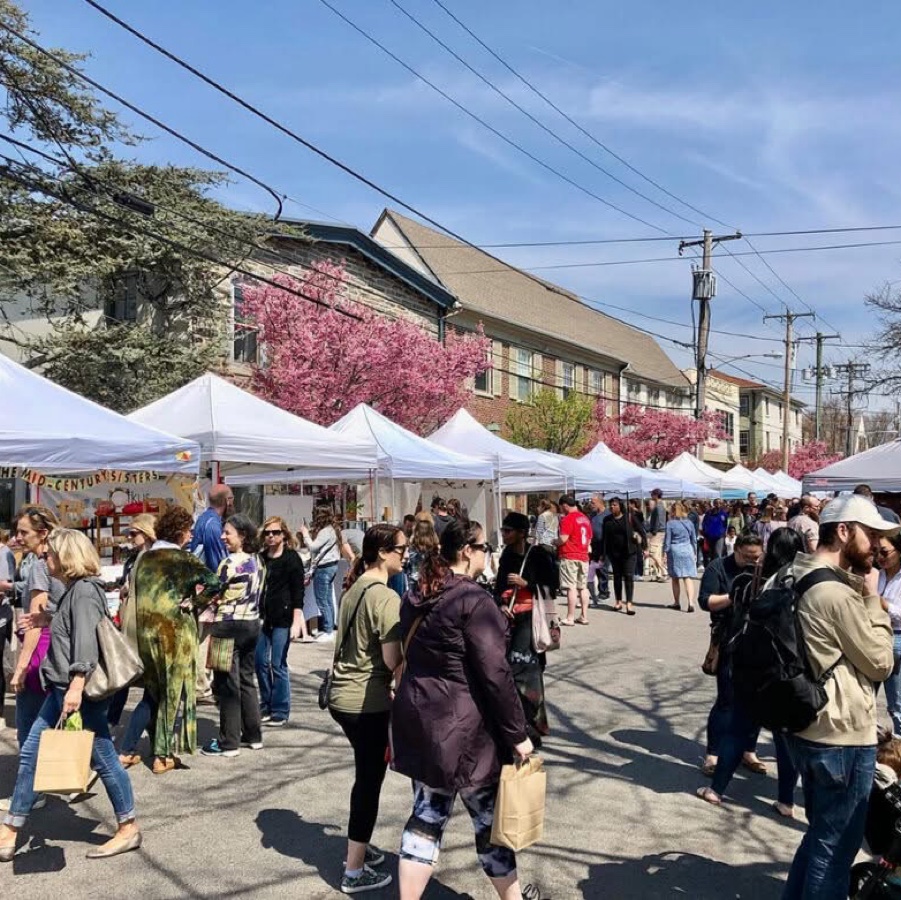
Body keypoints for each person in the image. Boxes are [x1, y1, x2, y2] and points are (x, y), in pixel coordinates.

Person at [392, 519, 533, 900]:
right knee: (488, 820)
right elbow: (496, 674)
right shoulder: (472, 600)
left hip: (420, 716)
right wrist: (518, 734)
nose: (489, 554)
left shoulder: (419, 592)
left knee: (427, 815)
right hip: (463, 728)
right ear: (467, 551)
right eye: (485, 547)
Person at [0, 529, 141, 862]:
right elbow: (74, 627)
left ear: (66, 556)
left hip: (76, 691)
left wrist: (76, 686)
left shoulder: (83, 592)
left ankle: (128, 827)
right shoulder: (75, 592)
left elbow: (86, 644)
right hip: (63, 689)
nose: (44, 558)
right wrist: (50, 617)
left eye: (49, 554)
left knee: (104, 758)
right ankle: (11, 828)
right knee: (32, 753)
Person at [781, 495, 897, 900]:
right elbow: (881, 662)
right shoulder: (837, 594)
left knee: (820, 838)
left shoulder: (791, 573)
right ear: (844, 531)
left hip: (805, 724)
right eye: (872, 535)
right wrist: (871, 599)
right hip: (841, 735)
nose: (878, 547)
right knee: (835, 849)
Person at [697, 528, 806, 814]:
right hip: (786, 667)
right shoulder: (805, 584)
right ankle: (786, 800)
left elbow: (736, 612)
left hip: (748, 661)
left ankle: (717, 790)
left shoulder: (749, 579)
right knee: (785, 735)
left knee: (738, 723)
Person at [328, 524, 405, 895]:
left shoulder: (355, 585)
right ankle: (354, 870)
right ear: (384, 553)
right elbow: (392, 659)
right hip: (366, 700)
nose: (406, 555)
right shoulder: (385, 597)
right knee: (369, 783)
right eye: (402, 550)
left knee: (366, 777)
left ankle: (359, 846)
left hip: (342, 695)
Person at [120, 507, 221, 774]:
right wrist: (195, 602)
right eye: (188, 531)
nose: (190, 536)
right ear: (179, 532)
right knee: (171, 693)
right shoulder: (182, 558)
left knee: (152, 692)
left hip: (146, 634)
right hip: (175, 634)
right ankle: (162, 755)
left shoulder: (143, 558)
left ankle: (129, 749)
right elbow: (215, 583)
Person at [699, 534, 765, 777]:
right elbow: (706, 601)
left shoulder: (763, 568)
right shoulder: (718, 567)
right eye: (746, 556)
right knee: (727, 699)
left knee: (756, 700)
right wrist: (734, 595)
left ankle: (749, 751)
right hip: (729, 638)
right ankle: (713, 754)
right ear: (735, 550)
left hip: (757, 639)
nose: (751, 561)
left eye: (755, 557)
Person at [202, 514, 265, 758]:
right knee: (247, 679)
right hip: (251, 625)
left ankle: (229, 742)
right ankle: (253, 734)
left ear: (243, 536)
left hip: (226, 625)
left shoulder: (228, 563)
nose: (222, 537)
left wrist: (191, 602)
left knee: (227, 684)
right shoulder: (258, 562)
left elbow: (212, 590)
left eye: (228, 532)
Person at [495, 511, 558, 747]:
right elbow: (498, 586)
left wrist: (527, 585)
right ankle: (521, 724)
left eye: (508, 531)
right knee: (514, 670)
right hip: (511, 619)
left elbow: (552, 588)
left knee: (527, 670)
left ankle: (531, 725)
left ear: (522, 533)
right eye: (503, 530)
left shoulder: (539, 555)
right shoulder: (507, 555)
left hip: (533, 618)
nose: (504, 534)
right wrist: (501, 604)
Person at [9, 507, 62, 754]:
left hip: (40, 653)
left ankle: (30, 790)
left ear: (42, 533)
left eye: (23, 532)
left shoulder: (41, 566)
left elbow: (35, 623)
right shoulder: (59, 561)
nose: (18, 537)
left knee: (29, 726)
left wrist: (21, 668)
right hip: (58, 650)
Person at [256, 517, 308, 729]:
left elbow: (298, 591)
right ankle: (266, 703)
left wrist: (297, 618)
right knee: (260, 662)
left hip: (283, 618)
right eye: (268, 533)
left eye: (276, 532)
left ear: (284, 535)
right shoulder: (260, 559)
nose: (271, 536)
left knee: (278, 663)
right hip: (262, 617)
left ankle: (280, 708)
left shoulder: (291, 558)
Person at [108, 513, 157, 730]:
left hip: (144, 625)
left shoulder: (154, 558)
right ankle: (112, 719)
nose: (130, 537)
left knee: (141, 676)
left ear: (147, 533)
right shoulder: (134, 557)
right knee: (123, 673)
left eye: (134, 532)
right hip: (128, 621)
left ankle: (143, 727)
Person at [300, 506, 343, 642]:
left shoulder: (326, 531)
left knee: (322, 600)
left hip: (324, 568)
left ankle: (328, 630)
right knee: (328, 599)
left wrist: (305, 534)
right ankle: (329, 628)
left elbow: (313, 547)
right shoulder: (333, 530)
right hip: (331, 566)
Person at [602, 497, 645, 616]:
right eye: (610, 505)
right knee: (617, 577)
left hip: (629, 552)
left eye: (614, 505)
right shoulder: (607, 520)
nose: (612, 507)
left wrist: (644, 547)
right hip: (614, 553)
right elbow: (605, 538)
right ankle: (618, 601)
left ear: (620, 506)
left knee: (628, 577)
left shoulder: (629, 518)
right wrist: (603, 553)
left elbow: (641, 531)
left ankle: (629, 603)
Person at [556, 495, 591, 627]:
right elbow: (589, 539)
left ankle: (570, 617)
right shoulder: (585, 519)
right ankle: (584, 615)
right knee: (583, 587)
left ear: (565, 505)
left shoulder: (568, 519)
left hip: (570, 554)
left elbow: (563, 539)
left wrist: (555, 542)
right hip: (583, 555)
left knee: (571, 587)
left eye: (561, 507)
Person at [879, 531, 901, 736]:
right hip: (875, 636)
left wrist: (886, 606)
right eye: (877, 552)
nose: (880, 557)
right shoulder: (877, 574)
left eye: (884, 552)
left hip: (896, 637)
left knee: (896, 702)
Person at [189, 484, 234, 572]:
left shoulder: (203, 518)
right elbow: (216, 564)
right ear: (227, 501)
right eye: (232, 498)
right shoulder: (212, 524)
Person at [664, 501, 698, 612]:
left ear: (673, 511)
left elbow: (667, 541)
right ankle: (691, 603)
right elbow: (694, 539)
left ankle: (677, 602)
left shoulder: (670, 524)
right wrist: (695, 552)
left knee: (675, 578)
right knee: (687, 577)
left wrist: (664, 552)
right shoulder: (689, 523)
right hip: (688, 549)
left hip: (675, 550)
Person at [403, 511, 438, 587]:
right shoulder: (436, 547)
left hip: (414, 584)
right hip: (432, 584)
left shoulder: (411, 546)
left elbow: (406, 565)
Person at [587, 496, 610, 606]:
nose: (591, 505)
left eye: (593, 503)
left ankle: (604, 591)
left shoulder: (607, 515)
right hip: (593, 545)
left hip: (604, 545)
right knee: (595, 568)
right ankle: (598, 590)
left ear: (600, 503)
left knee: (602, 568)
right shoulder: (592, 515)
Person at [646, 489, 668, 583]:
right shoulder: (661, 505)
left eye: (652, 494)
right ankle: (659, 574)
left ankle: (664, 571)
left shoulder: (658, 506)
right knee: (657, 553)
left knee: (652, 552)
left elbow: (658, 520)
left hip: (658, 531)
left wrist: (653, 532)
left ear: (656, 495)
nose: (651, 495)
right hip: (660, 531)